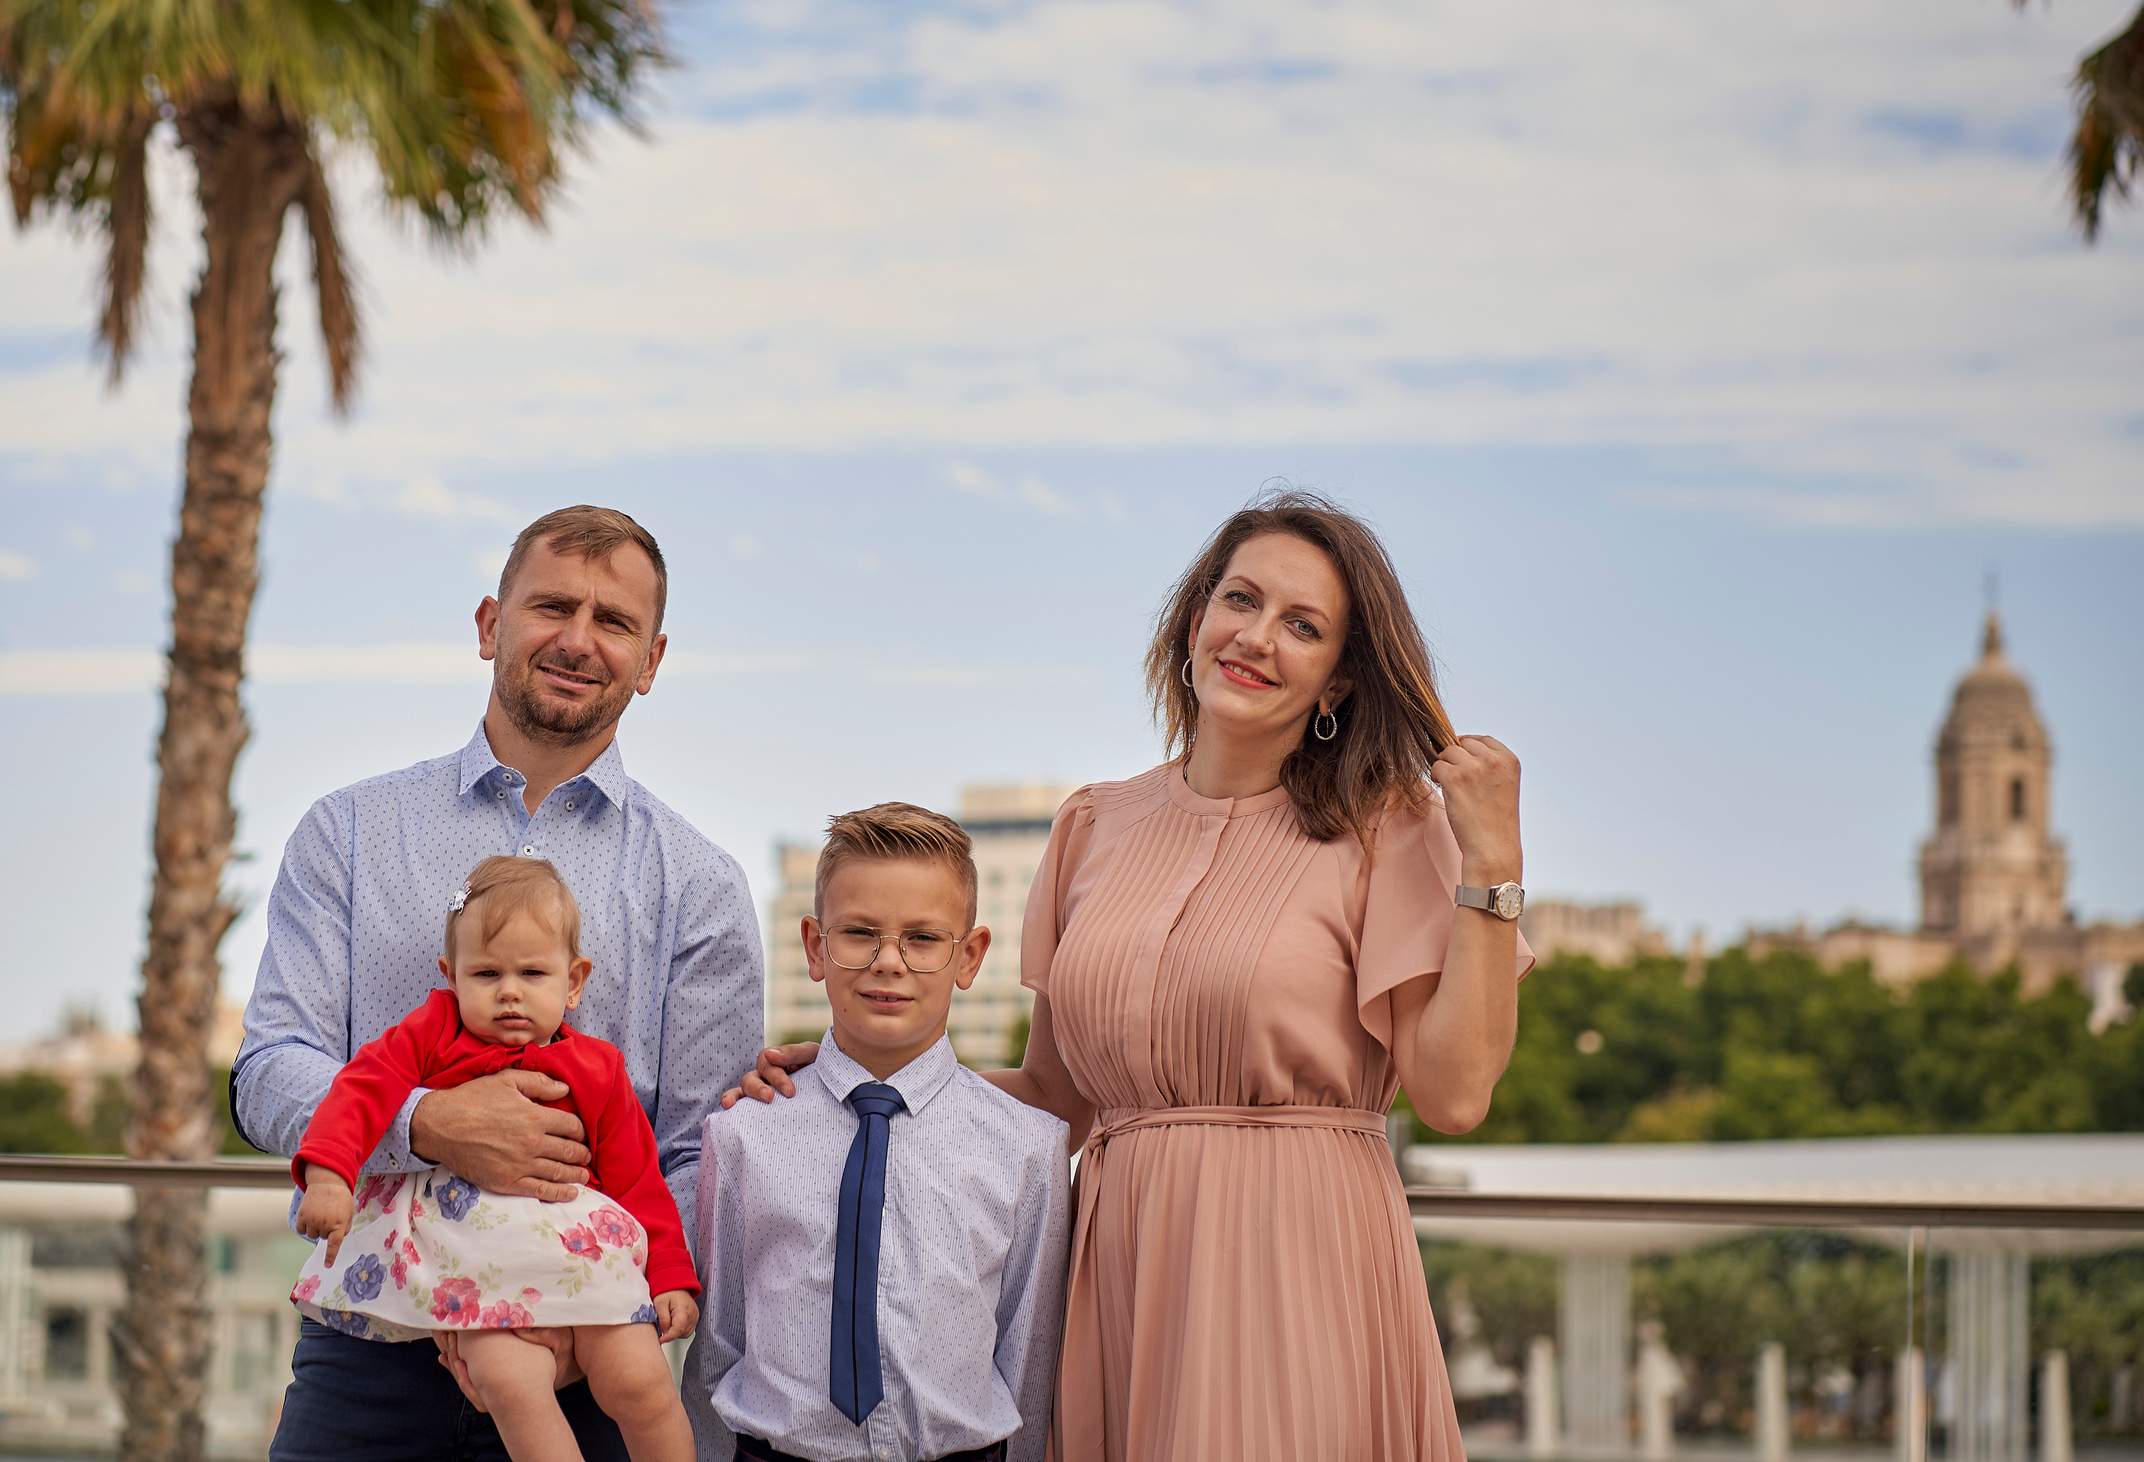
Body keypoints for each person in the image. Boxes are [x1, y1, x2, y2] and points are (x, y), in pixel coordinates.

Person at [736, 490, 1531, 1461]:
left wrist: (1490, 864)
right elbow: (1053, 1101)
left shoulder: (1391, 827)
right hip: (1124, 1268)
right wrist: (837, 1088)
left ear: (1336, 683)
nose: (1256, 636)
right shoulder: (1092, 825)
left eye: (1303, 625)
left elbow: (1452, 1094)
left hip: (1301, 1258)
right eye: (1239, 599)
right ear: (1194, 617)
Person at [237, 505, 766, 1462]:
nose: (578, 638)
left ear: (650, 662)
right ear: (490, 625)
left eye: (615, 621)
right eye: (552, 606)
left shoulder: (702, 886)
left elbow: (700, 1150)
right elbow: (269, 1069)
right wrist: (425, 1123)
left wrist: (575, 1315)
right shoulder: (347, 834)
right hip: (370, 1358)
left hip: (591, 1360)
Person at [686, 803, 1069, 1462]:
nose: (889, 960)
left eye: (923, 938)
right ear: (814, 945)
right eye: (860, 932)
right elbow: (719, 1343)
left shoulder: (1029, 1145)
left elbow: (1027, 1360)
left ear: (970, 955)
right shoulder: (743, 1133)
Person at [289, 856, 698, 1462]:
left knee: (640, 1379)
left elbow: (639, 1180)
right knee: (511, 1385)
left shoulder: (598, 1068)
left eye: (533, 972)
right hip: (469, 1266)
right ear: (451, 976)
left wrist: (670, 1274)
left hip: (580, 1257)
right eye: (486, 973)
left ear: (574, 980)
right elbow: (358, 1092)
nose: (509, 990)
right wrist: (329, 1177)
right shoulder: (430, 1033)